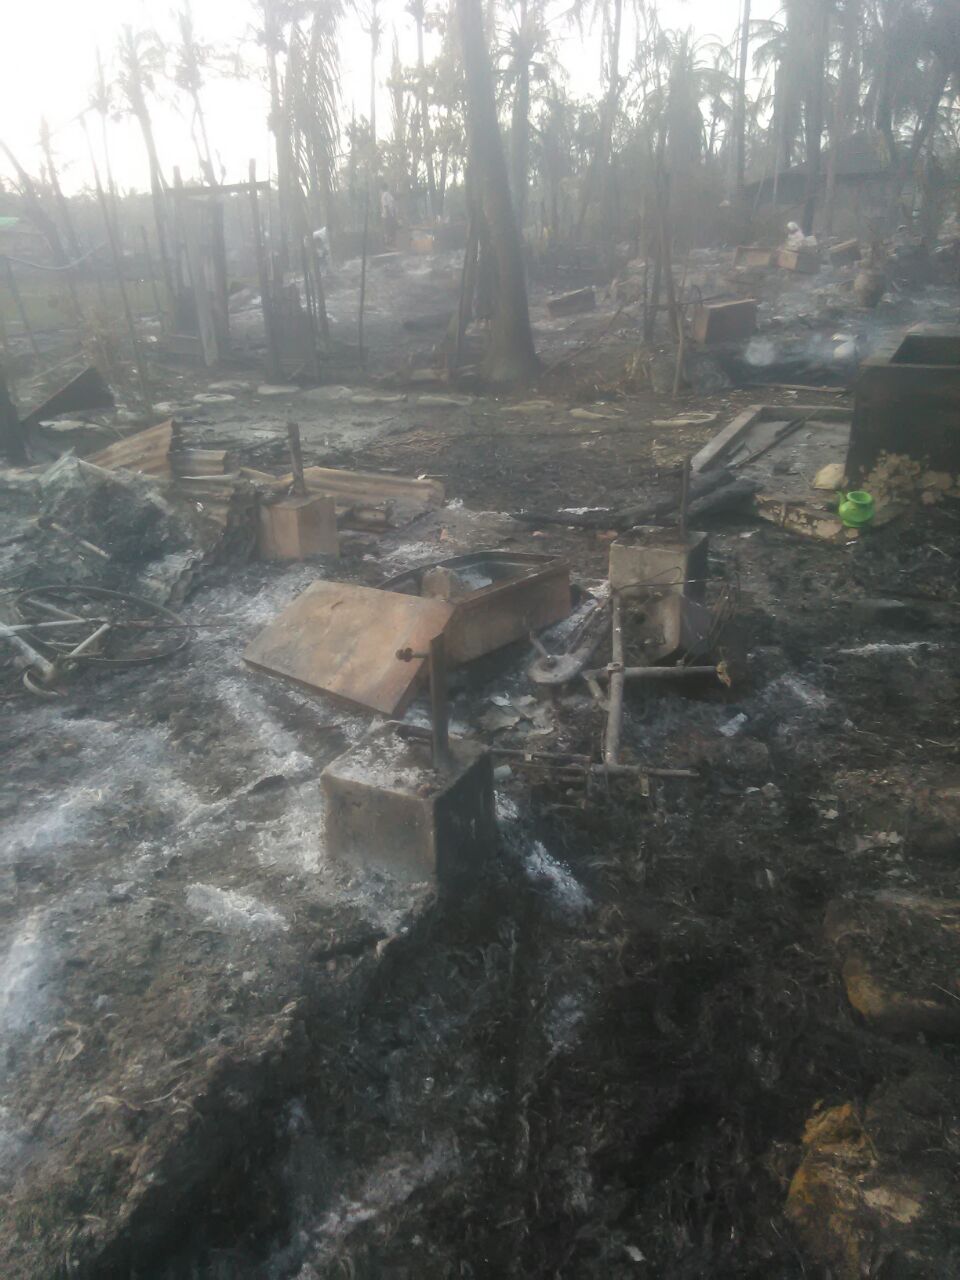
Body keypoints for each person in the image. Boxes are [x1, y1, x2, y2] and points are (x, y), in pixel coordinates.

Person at [380, 182, 398, 247]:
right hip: (391, 214)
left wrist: (388, 215)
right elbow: (393, 205)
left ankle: (387, 243)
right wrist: (393, 214)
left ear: (381, 189)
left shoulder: (383, 196)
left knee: (386, 229)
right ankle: (391, 243)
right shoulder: (390, 196)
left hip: (386, 215)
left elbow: (386, 206)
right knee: (391, 229)